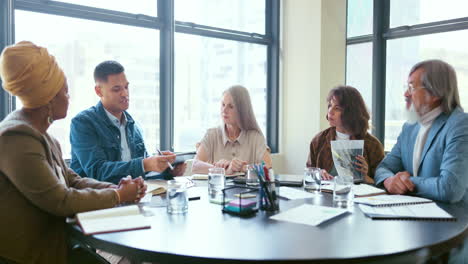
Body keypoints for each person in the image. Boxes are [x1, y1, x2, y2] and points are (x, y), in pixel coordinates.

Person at [0, 41, 144, 264]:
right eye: (65, 92)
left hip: (60, 243)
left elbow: (72, 180)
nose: (69, 97)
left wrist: (119, 187)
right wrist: (118, 196)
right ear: (48, 99)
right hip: (32, 256)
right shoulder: (17, 138)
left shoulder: (43, 135)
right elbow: (62, 200)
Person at [70, 60, 184, 184]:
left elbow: (142, 173)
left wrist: (167, 171)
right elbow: (97, 171)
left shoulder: (133, 125)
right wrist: (145, 164)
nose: (125, 93)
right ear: (99, 91)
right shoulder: (82, 123)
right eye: (116, 89)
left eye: (126, 87)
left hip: (133, 198)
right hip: (100, 200)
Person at [375, 59, 468, 203]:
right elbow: (384, 167)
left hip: (452, 221)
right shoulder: (409, 127)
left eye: (412, 87)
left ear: (436, 92)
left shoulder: (460, 124)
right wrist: (389, 180)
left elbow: (450, 188)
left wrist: (406, 182)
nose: (406, 94)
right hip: (411, 216)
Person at [306, 85, 384, 184]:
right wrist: (317, 173)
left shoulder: (373, 145)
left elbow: (382, 185)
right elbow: (308, 174)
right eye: (330, 106)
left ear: (351, 112)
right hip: (325, 197)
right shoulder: (319, 140)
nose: (330, 111)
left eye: (337, 108)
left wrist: (365, 177)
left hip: (359, 198)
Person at [192, 85, 272, 174]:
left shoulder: (255, 137)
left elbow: (268, 167)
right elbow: (195, 165)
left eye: (231, 106)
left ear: (242, 110)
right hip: (217, 187)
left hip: (247, 188)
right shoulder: (212, 134)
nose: (224, 110)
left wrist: (242, 167)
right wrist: (224, 170)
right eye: (223, 105)